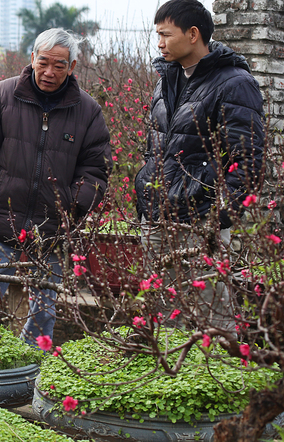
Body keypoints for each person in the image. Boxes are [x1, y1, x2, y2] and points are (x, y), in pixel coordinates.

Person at [0, 28, 112, 345]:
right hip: (0, 216)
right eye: (44, 62)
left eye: (59, 65)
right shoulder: (0, 96)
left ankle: (30, 370)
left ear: (73, 67)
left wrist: (74, 207)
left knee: (44, 308)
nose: (50, 72)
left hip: (51, 225)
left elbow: (96, 167)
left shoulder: (88, 111)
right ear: (33, 58)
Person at [134, 0, 264, 328]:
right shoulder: (166, 80)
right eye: (157, 35)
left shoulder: (235, 83)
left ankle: (224, 378)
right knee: (161, 318)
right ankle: (167, 379)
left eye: (166, 35)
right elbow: (159, 146)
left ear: (193, 34)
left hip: (199, 220)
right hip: (157, 216)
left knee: (212, 318)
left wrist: (215, 215)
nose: (159, 43)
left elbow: (248, 159)